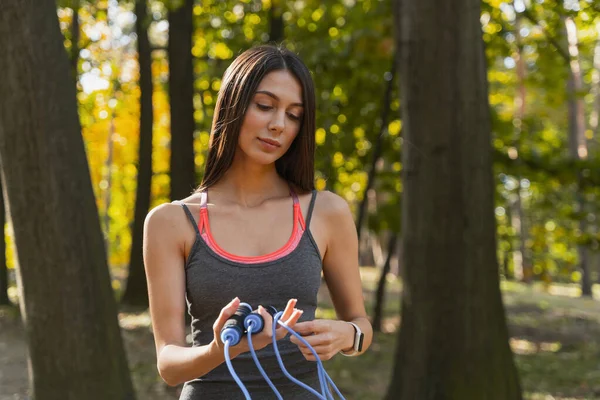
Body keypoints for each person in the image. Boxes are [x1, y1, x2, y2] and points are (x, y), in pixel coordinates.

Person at [143, 44, 372, 399]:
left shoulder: (326, 212)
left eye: (294, 115)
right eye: (265, 106)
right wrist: (222, 350)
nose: (278, 124)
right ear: (233, 104)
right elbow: (169, 365)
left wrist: (348, 336)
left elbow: (361, 325)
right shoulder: (172, 222)